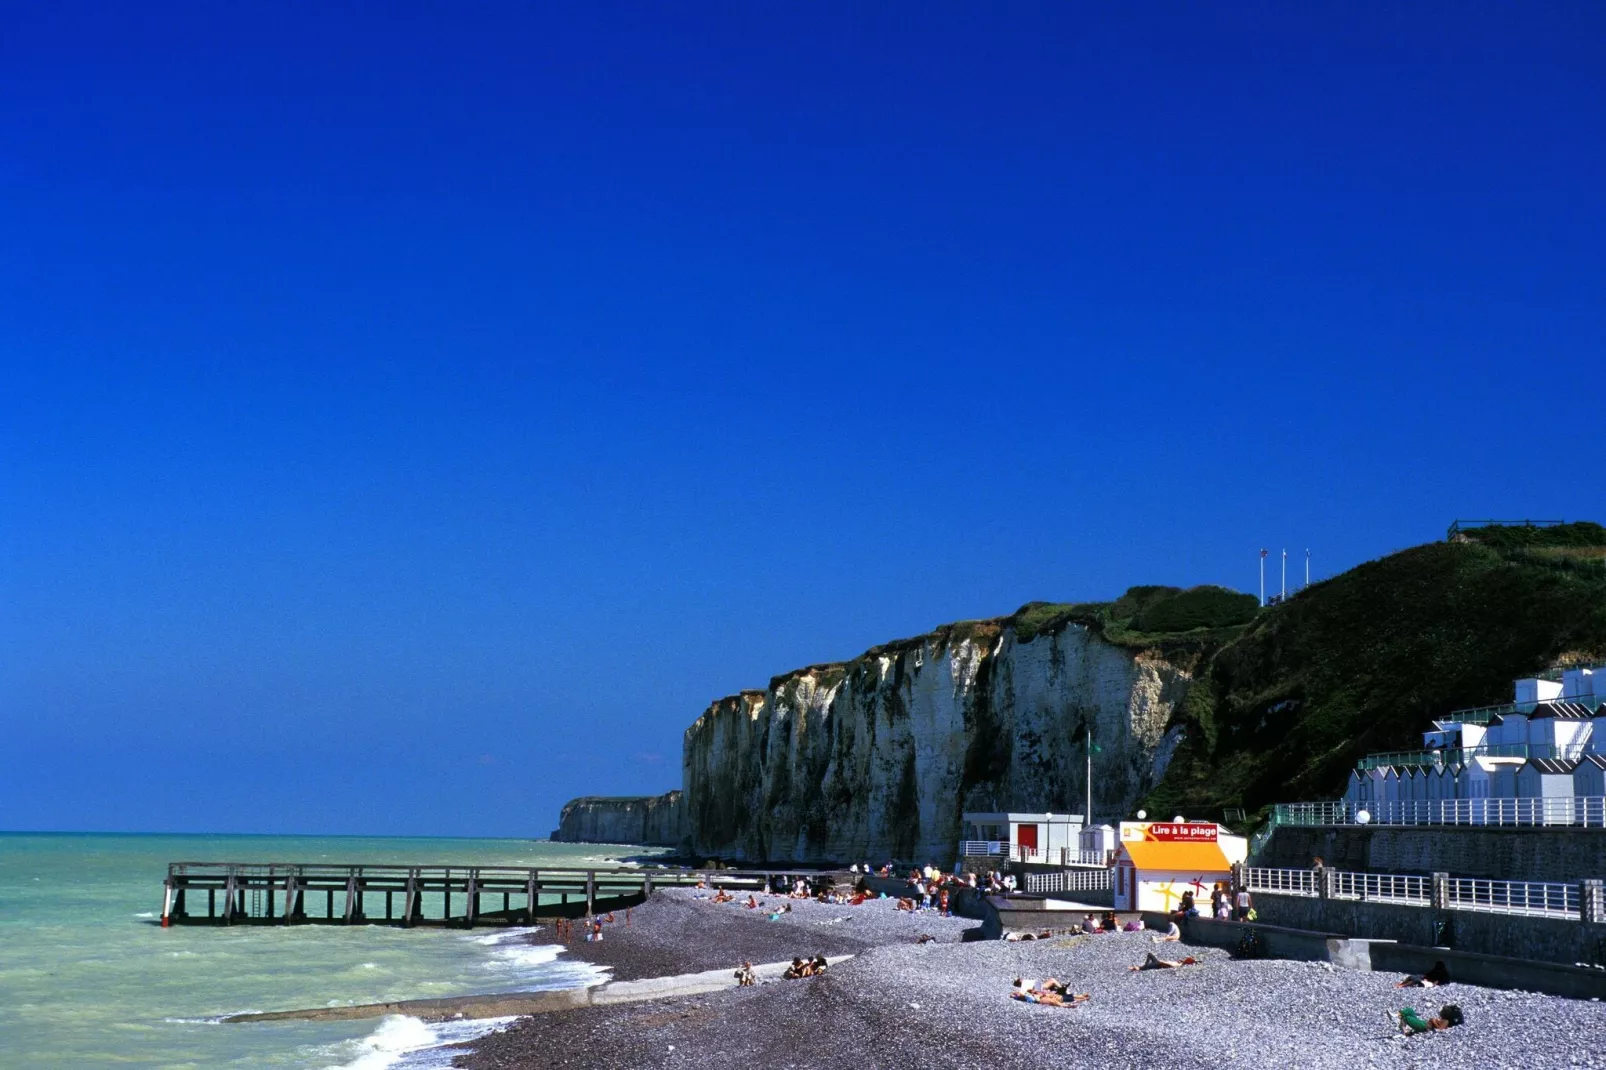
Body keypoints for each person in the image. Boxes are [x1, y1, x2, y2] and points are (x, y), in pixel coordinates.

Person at [1388, 1004, 1465, 1035]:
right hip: (1423, 1023)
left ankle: (1404, 1032)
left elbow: (1439, 1029)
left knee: (1406, 1018)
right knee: (1410, 1010)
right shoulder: (1445, 1020)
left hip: (1424, 1026)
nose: (1442, 1011)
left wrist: (1433, 1020)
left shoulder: (1446, 1021)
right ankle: (1395, 1015)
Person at [1131, 952, 1198, 971]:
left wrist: (1163, 962)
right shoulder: (1181, 962)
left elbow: (1171, 965)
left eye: (1187, 959)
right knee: (1149, 954)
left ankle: (1140, 968)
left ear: (1188, 962)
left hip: (1159, 965)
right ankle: (1143, 966)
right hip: (1158, 963)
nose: (1186, 958)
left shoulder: (1179, 965)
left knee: (1142, 968)